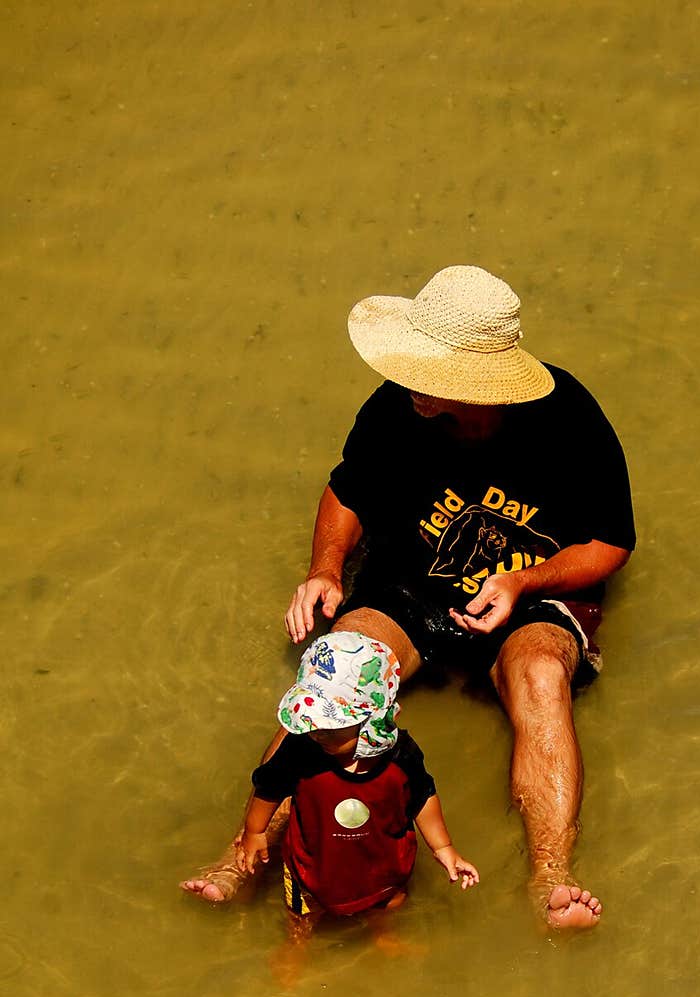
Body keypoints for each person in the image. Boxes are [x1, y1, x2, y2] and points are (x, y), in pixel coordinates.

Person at [183, 265, 634, 931]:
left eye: (429, 370)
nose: (409, 380)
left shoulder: (569, 420)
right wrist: (326, 568)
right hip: (411, 581)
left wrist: (522, 582)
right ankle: (240, 852)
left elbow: (610, 543)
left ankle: (550, 873)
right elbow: (349, 489)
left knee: (540, 675)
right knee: (337, 660)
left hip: (528, 589)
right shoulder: (399, 406)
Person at [228, 631, 478, 939]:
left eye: (330, 727)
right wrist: (255, 831)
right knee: (300, 912)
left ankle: (382, 934)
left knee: (388, 904)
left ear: (372, 721)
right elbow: (269, 785)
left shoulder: (402, 755)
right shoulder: (301, 748)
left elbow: (422, 796)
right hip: (311, 867)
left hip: (382, 867)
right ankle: (296, 947)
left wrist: (443, 847)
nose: (316, 733)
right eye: (312, 722)